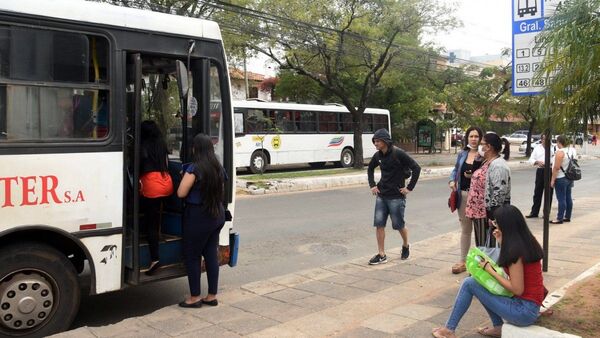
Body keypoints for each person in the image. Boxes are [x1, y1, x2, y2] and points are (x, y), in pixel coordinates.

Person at [432, 205, 545, 338]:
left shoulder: (515, 251)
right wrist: (502, 242)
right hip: (529, 307)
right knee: (482, 285)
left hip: (523, 311)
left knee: (469, 283)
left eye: (496, 222)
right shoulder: (527, 241)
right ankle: (498, 327)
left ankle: (449, 330)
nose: (494, 225)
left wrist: (490, 271)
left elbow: (517, 289)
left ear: (506, 225)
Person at [177, 134, 227, 307]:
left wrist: (184, 176)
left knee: (193, 256)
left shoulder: (194, 168)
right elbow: (220, 190)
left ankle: (195, 298)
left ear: (195, 149)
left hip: (198, 217)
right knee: (211, 254)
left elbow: (181, 193)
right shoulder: (218, 167)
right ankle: (211, 295)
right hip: (216, 215)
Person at [367, 128, 421, 265]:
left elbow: (416, 168)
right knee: (379, 225)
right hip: (381, 195)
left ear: (385, 141)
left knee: (398, 225)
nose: (376, 143)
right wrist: (372, 185)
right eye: (374, 141)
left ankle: (406, 245)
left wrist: (409, 188)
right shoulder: (377, 156)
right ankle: (381, 254)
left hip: (396, 196)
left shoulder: (398, 153)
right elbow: (370, 168)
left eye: (378, 141)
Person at [140, 120, 173, 275]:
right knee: (158, 215)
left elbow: (138, 167)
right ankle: (160, 233)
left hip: (151, 184)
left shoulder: (143, 146)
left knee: (150, 223)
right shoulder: (161, 144)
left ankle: (155, 259)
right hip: (166, 182)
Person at [448, 126, 483, 274]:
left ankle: (482, 262)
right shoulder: (463, 153)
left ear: (481, 138)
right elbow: (456, 169)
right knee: (465, 229)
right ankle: (463, 260)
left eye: (476, 136)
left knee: (481, 230)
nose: (474, 139)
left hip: (479, 197)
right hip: (463, 195)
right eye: (471, 136)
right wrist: (452, 180)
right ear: (467, 138)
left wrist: (473, 176)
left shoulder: (484, 155)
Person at [526, 134, 555, 218]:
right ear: (541, 140)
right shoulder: (537, 148)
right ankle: (534, 212)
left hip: (549, 170)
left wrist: (550, 162)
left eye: (548, 139)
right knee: (537, 192)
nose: (546, 141)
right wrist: (537, 162)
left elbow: (556, 159)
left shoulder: (554, 147)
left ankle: (546, 213)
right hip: (540, 170)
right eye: (544, 139)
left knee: (549, 192)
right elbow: (531, 159)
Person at [550, 135, 576, 224]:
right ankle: (567, 216)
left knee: (561, 198)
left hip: (560, 177)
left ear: (559, 142)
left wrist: (552, 179)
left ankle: (559, 218)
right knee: (568, 197)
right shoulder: (572, 150)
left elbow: (556, 167)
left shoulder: (560, 152)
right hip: (569, 177)